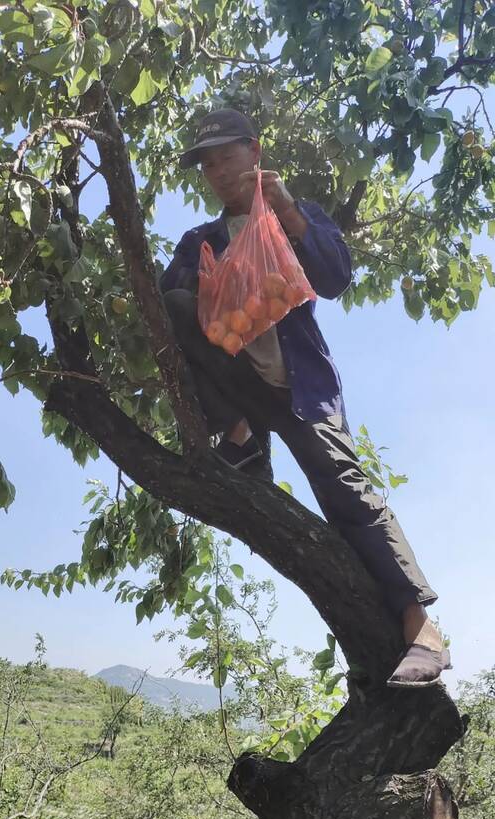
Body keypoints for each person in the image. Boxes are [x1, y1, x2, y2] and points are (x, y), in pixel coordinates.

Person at [160, 108, 451, 689]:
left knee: (346, 491)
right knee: (170, 306)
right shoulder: (201, 241)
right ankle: (241, 437)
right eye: (207, 162)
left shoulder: (296, 215)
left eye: (225, 155)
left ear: (254, 150)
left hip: (300, 386)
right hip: (241, 386)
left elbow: (335, 276)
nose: (217, 170)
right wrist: (206, 287)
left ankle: (423, 631)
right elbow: (172, 308)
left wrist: (288, 209)